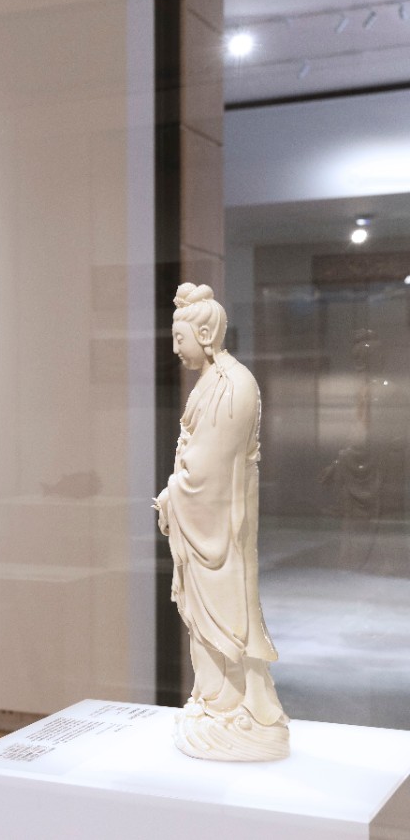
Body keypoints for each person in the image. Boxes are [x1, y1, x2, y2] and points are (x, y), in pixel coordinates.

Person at [155, 283, 289, 761]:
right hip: (207, 522)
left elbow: (207, 469)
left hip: (220, 530)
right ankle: (216, 703)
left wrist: (175, 493)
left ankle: (235, 706)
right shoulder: (212, 382)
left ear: (206, 332)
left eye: (180, 337)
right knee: (204, 621)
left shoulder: (234, 385)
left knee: (227, 619)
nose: (175, 348)